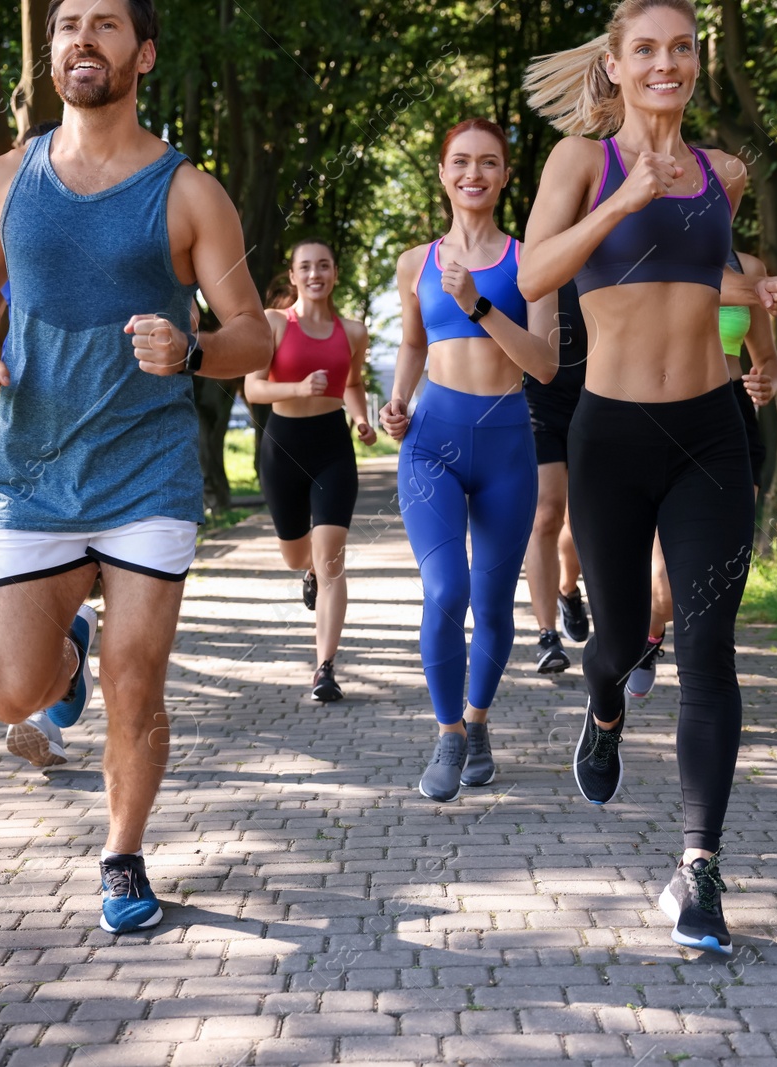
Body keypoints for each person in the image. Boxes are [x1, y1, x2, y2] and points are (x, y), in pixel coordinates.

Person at [0, 0, 271, 935]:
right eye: (67, 24)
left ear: (145, 53)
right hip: (34, 470)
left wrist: (194, 348)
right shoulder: (4, 181)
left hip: (147, 472)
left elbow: (256, 332)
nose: (83, 38)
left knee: (139, 674)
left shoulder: (189, 191)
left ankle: (122, 854)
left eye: (107, 25)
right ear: (50, 54)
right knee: (8, 690)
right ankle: (63, 654)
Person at [520, 0, 777, 954]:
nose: (666, 64)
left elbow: (709, 270)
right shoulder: (579, 162)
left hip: (709, 436)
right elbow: (530, 279)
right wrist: (625, 197)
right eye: (647, 50)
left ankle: (699, 868)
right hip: (611, 436)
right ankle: (603, 709)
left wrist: (762, 318)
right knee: (621, 642)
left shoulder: (725, 172)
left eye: (681, 48)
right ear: (617, 62)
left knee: (709, 644)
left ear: (695, 59)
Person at [380, 118, 559, 803]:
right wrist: (397, 401)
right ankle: (449, 732)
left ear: (506, 174)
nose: (473, 174)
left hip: (509, 444)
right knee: (446, 591)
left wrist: (478, 303)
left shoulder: (532, 260)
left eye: (488, 162)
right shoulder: (414, 262)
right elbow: (414, 344)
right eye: (460, 162)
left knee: (491, 601)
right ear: (443, 171)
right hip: (432, 443)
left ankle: (479, 723)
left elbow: (544, 364)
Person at [628, 248, 777, 700]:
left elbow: (769, 359)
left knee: (716, 579)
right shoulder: (651, 249)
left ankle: (705, 694)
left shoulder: (749, 269)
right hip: (663, 416)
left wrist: (768, 383)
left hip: (731, 419)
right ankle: (651, 630)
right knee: (666, 587)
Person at [244, 239, 375, 702]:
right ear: (294, 275)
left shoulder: (354, 332)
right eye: (306, 266)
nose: (315, 273)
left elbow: (354, 384)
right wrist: (298, 386)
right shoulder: (274, 323)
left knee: (331, 556)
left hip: (333, 449)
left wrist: (361, 419)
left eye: (324, 265)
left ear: (335, 273)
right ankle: (309, 573)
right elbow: (253, 389)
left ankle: (324, 667)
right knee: (299, 557)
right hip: (282, 449)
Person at [523, 279, 591, 674]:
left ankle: (568, 589)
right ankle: (547, 635)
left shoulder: (611, 245)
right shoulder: (536, 257)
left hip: (598, 396)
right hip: (540, 399)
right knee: (547, 514)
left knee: (582, 518)